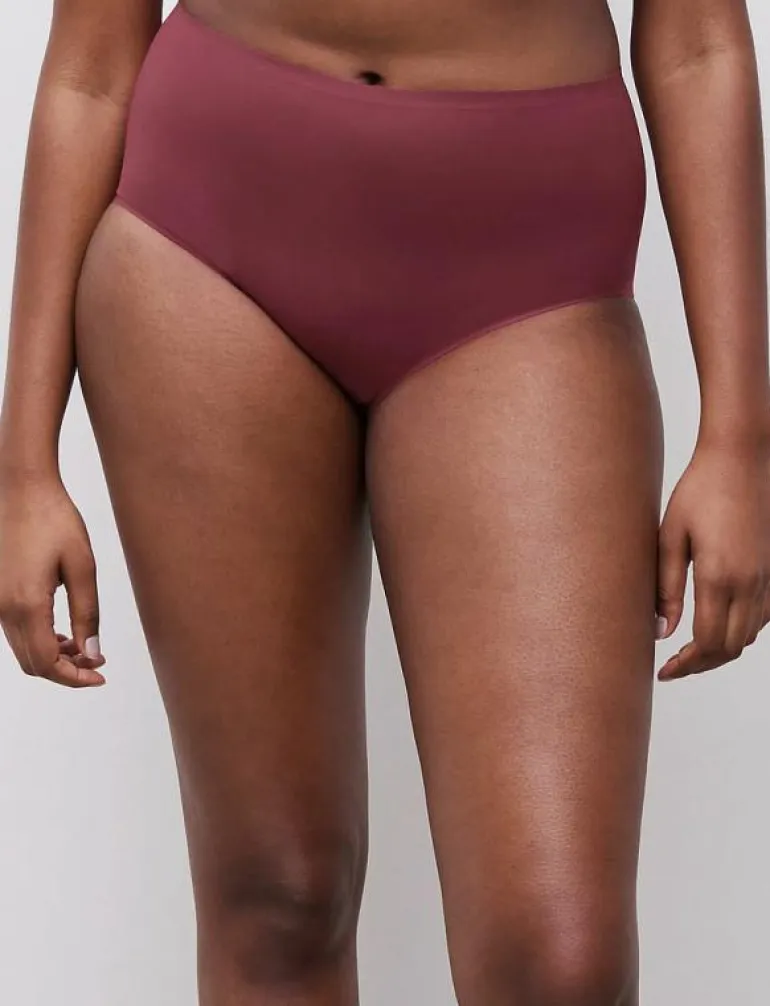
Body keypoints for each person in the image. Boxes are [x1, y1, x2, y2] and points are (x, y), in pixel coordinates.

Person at [0, 0, 767, 1002]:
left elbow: (699, 44)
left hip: (528, 273)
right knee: (276, 896)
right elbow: (88, 71)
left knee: (560, 963)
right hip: (205, 247)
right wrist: (23, 468)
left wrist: (738, 437)